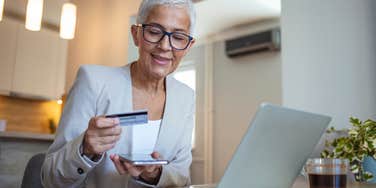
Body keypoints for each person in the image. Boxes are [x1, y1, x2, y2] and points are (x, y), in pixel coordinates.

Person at [41, 0, 196, 187]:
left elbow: (182, 179)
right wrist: (85, 149)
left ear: (188, 45)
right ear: (136, 34)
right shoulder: (93, 81)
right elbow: (50, 178)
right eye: (154, 32)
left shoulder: (185, 97)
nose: (164, 46)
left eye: (178, 37)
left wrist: (155, 174)